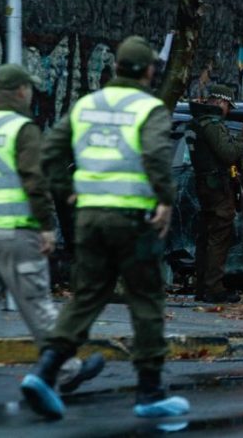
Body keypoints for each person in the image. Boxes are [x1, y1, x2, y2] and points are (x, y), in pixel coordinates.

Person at [21, 36, 189, 419]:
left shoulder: (86, 105)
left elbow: (51, 151)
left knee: (86, 297)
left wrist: (67, 192)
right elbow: (154, 155)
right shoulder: (148, 108)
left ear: (117, 67)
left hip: (90, 218)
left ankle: (45, 372)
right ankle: (150, 391)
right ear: (148, 71)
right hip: (133, 221)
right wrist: (165, 198)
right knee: (146, 300)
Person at [0, 64, 104, 400]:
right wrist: (46, 227)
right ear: (20, 91)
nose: (31, 93)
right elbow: (34, 180)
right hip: (17, 233)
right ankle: (67, 370)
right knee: (38, 306)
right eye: (29, 88)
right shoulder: (22, 129)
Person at [187, 85, 243, 303]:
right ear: (221, 102)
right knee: (219, 236)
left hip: (206, 186)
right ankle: (214, 288)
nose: (228, 111)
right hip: (217, 188)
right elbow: (228, 153)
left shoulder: (196, 121)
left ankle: (203, 287)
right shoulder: (211, 124)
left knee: (207, 236)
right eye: (228, 106)